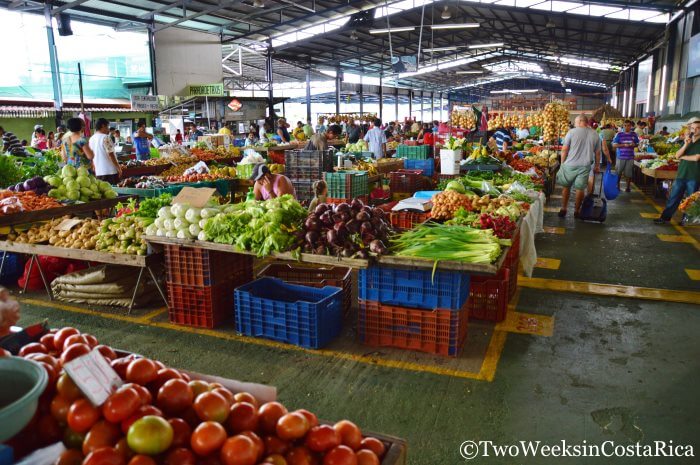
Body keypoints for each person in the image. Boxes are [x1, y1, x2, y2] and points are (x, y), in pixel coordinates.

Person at [654, 117, 700, 225]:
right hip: (681, 174)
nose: (695, 130)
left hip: (694, 176)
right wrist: (686, 144)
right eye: (693, 128)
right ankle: (665, 218)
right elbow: (677, 155)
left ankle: (686, 220)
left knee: (690, 200)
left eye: (698, 128)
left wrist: (683, 157)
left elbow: (697, 158)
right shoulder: (686, 141)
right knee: (673, 197)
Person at [555, 115, 601, 218]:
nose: (574, 124)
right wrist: (597, 166)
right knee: (580, 189)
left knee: (566, 187)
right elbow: (598, 153)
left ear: (580, 121)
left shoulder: (571, 132)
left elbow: (564, 149)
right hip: (585, 166)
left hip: (570, 165)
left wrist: (562, 163)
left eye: (575, 122)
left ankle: (564, 208)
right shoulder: (595, 134)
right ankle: (577, 211)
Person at [89, 118, 122, 184]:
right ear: (103, 126)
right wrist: (118, 167)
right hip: (109, 171)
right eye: (107, 126)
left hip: (98, 172)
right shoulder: (105, 137)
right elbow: (111, 155)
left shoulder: (91, 139)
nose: (108, 129)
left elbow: (91, 156)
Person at [612, 120, 639, 192]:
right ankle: (617, 186)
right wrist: (623, 145)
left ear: (631, 126)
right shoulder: (619, 134)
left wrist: (634, 145)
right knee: (619, 172)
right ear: (623, 126)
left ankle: (628, 187)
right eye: (625, 125)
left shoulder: (634, 134)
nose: (627, 127)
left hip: (630, 157)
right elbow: (614, 145)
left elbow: (637, 144)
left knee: (629, 173)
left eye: (628, 125)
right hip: (621, 157)